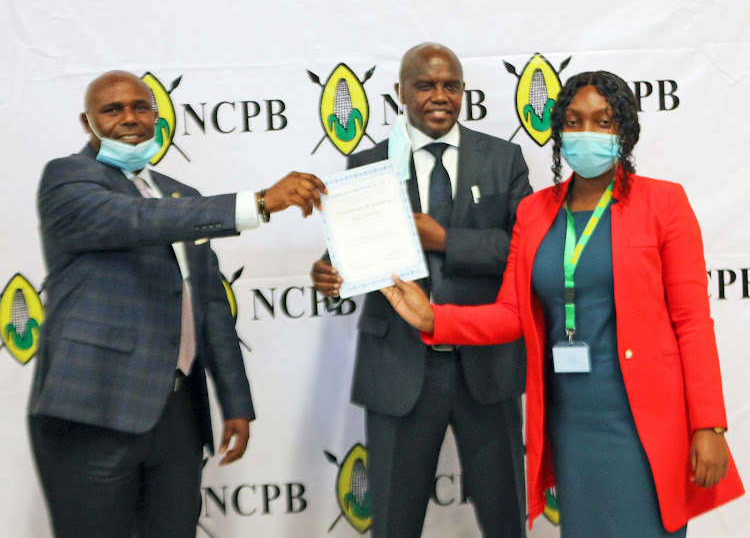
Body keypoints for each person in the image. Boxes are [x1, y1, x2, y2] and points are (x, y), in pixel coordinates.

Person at [382, 70, 745, 537]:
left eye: (603, 121)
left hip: (646, 423)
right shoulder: (535, 213)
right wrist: (434, 317)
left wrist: (710, 425)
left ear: (625, 131)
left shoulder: (664, 203)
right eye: (573, 121)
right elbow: (511, 314)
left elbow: (693, 321)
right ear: (558, 130)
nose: (586, 133)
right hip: (572, 421)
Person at [28, 70, 326, 538]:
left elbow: (209, 307)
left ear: (156, 116)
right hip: (95, 411)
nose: (130, 117)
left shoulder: (180, 195)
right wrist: (261, 202)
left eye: (140, 107)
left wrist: (235, 403)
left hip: (178, 416)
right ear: (88, 123)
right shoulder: (69, 179)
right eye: (113, 109)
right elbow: (136, 219)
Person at [311, 43, 532, 537]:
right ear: (400, 93)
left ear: (463, 92)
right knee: (394, 520)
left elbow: (524, 251)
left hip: (485, 363)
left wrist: (445, 240)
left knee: (505, 517)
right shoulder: (367, 164)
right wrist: (329, 272)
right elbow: (350, 252)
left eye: (450, 85)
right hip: (399, 365)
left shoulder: (503, 157)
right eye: (425, 85)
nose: (439, 96)